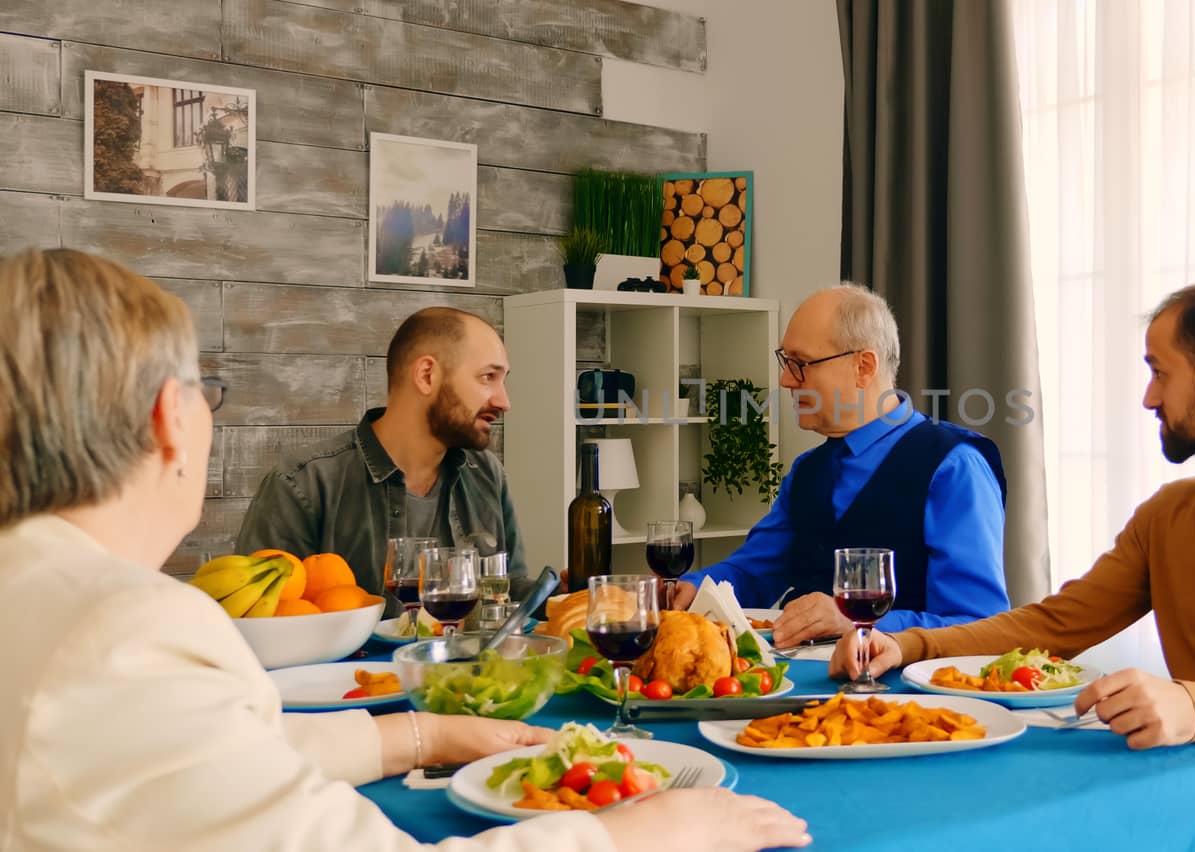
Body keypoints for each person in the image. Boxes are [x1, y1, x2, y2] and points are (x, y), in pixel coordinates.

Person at [0, 248, 810, 852]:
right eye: (205, 392)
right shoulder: (128, 631)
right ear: (167, 420)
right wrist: (641, 834)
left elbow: (201, 752)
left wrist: (421, 737)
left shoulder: (43, 596)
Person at [831, 278, 1195, 851]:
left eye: (1159, 373)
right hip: (1179, 786)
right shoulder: (1171, 513)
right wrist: (908, 644)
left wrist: (1194, 706)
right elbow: (1055, 624)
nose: (1148, 398)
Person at [673, 283, 1011, 647]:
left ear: (863, 367)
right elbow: (751, 572)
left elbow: (979, 625)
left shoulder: (955, 468)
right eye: (785, 362)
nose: (786, 380)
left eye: (800, 364)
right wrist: (691, 589)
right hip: (793, 690)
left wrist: (856, 621)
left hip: (903, 698)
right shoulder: (807, 471)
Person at [237, 307, 526, 597]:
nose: (504, 401)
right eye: (488, 377)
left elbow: (509, 595)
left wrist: (561, 593)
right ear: (427, 375)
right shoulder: (303, 485)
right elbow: (262, 621)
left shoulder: (487, 473)